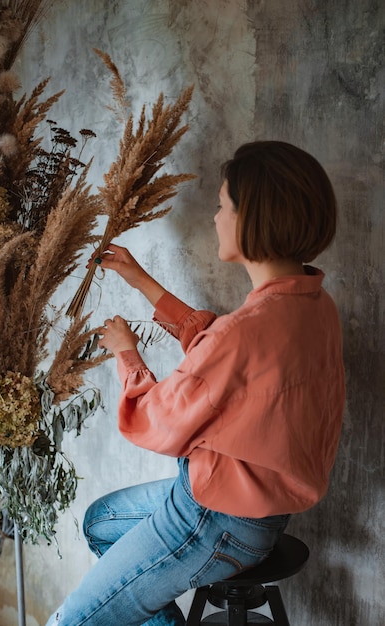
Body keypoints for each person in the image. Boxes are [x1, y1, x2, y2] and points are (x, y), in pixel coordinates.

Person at [46, 140, 345, 625]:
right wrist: (140, 279)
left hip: (214, 519)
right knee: (101, 522)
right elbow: (221, 351)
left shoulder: (244, 332)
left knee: (72, 620)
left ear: (254, 218)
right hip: (261, 511)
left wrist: (127, 355)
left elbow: (155, 421)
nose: (215, 217)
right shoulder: (314, 305)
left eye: (223, 205)